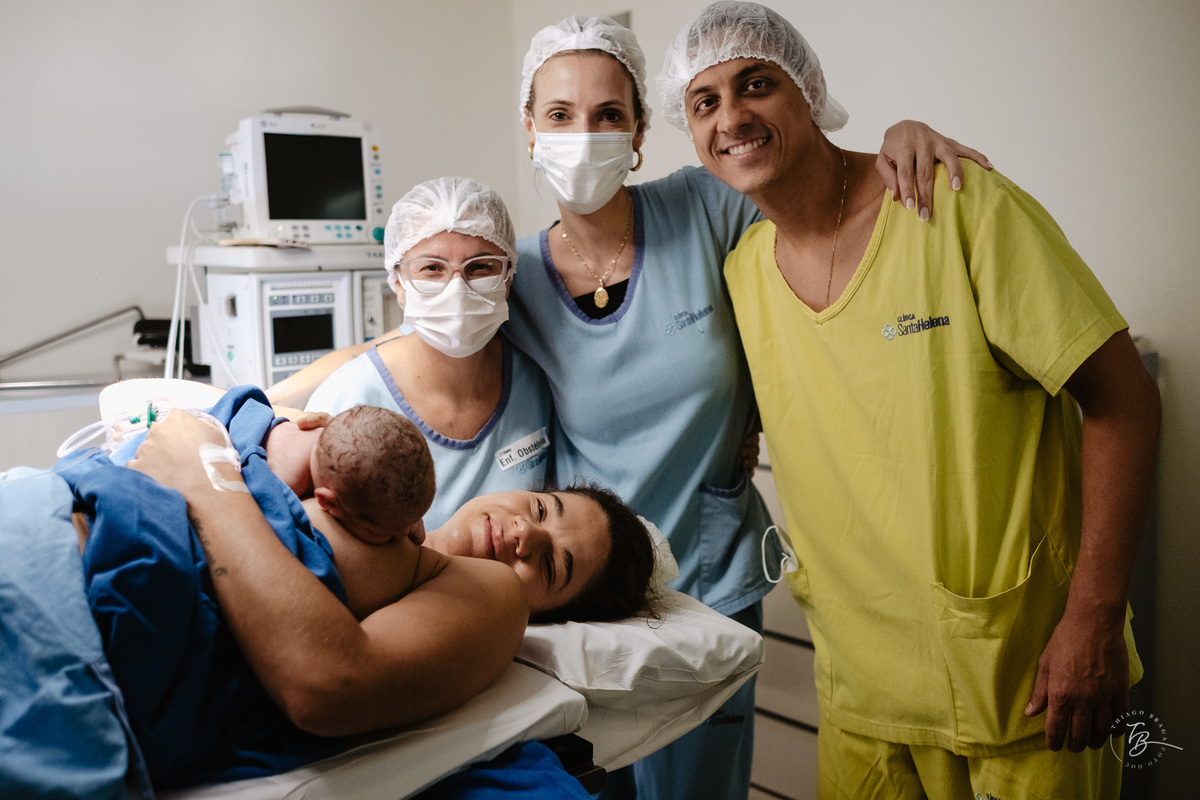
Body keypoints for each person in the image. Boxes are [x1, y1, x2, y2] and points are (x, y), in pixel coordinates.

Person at [268, 16, 989, 800]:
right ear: (530, 128)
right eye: (560, 114)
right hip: (581, 597)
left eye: (608, 114)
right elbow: (415, 334)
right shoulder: (515, 276)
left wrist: (896, 142)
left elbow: (819, 196)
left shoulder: (704, 207)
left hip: (710, 582)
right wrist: (277, 399)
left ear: (641, 129)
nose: (584, 135)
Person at [657, 2, 1162, 797]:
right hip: (862, 693)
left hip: (1020, 684)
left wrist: (1096, 614)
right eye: (704, 101)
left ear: (809, 88)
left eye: (756, 83)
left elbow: (1124, 400)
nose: (732, 117)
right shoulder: (744, 272)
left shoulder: (954, 207)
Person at [298, 177, 554, 529]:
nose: (457, 289)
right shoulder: (349, 399)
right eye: (432, 268)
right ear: (398, 283)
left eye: (480, 267)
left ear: (508, 277)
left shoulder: (535, 383)